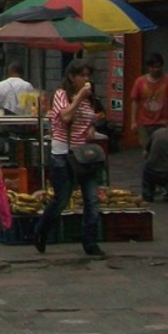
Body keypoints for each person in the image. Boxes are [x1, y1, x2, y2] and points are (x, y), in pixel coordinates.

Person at [36, 59, 107, 257]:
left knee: (91, 198)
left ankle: (90, 242)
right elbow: (65, 117)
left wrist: (92, 126)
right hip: (63, 154)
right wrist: (78, 98)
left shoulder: (89, 99)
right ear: (72, 77)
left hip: (83, 156)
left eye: (88, 76)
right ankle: (41, 230)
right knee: (62, 199)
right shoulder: (61, 94)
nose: (86, 79)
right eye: (82, 75)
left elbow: (93, 119)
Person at [127, 52, 168, 153]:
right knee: (147, 150)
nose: (156, 70)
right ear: (148, 67)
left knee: (162, 150)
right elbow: (135, 101)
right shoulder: (140, 82)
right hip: (145, 123)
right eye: (153, 67)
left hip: (163, 123)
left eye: (158, 67)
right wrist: (133, 121)